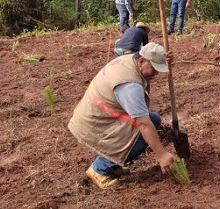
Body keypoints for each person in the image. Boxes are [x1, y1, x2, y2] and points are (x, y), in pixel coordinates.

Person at [68, 42, 175, 189]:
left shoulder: (131, 58)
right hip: (96, 123)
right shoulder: (130, 85)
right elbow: (143, 123)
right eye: (154, 68)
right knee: (144, 130)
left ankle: (112, 164)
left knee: (154, 120)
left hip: (98, 113)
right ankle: (100, 169)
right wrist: (162, 155)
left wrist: (163, 60)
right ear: (142, 61)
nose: (156, 73)